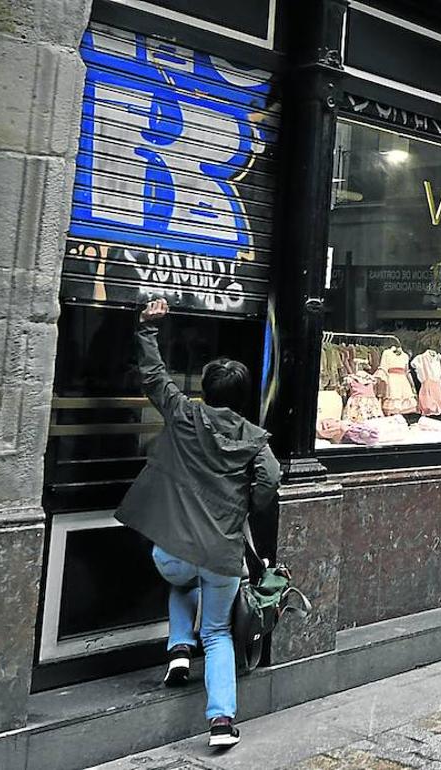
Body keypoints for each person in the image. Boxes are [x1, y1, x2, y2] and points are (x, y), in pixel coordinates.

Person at [116, 298, 281, 749]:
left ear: (205, 390)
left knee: (179, 582)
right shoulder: (254, 440)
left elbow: (153, 377)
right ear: (243, 397)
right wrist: (245, 502)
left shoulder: (186, 416)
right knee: (218, 631)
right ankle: (221, 723)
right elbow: (271, 480)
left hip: (172, 552)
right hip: (224, 555)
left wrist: (148, 328)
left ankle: (178, 651)